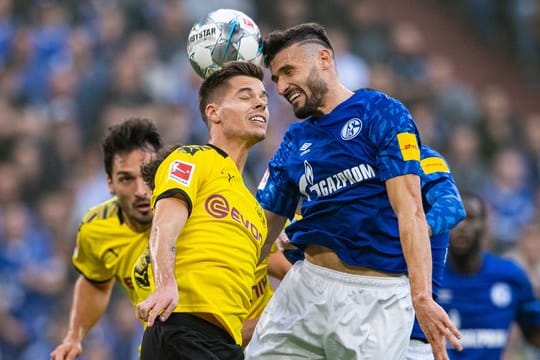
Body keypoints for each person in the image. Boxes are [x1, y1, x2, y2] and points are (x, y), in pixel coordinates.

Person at [245, 22, 461, 360]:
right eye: (276, 79)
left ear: (324, 59)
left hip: (375, 299)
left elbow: (411, 211)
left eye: (288, 71)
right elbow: (261, 231)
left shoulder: (381, 112)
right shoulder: (294, 140)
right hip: (306, 287)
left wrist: (421, 297)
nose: (282, 86)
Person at [135, 61, 269, 360]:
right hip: (181, 327)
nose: (260, 102)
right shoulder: (193, 159)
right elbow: (165, 222)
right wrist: (166, 284)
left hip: (227, 346)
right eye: (245, 96)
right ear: (214, 112)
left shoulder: (256, 210)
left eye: (263, 97)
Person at [50, 118, 163, 360]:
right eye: (126, 179)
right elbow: (95, 282)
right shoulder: (97, 228)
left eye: (148, 175)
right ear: (110, 184)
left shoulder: (195, 213)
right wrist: (74, 335)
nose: (141, 191)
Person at [438, 192, 540, 359]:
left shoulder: (511, 275)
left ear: (485, 225)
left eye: (470, 218)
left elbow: (534, 331)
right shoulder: (428, 278)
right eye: (455, 218)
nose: (462, 226)